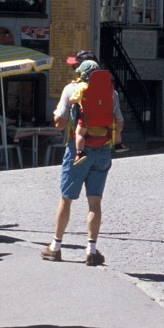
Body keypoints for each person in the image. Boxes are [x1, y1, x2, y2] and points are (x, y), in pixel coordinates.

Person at [41, 50, 124, 267]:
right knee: (94, 202)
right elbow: (119, 123)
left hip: (78, 150)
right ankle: (91, 251)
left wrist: (67, 116)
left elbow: (59, 123)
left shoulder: (71, 89)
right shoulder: (111, 93)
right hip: (103, 150)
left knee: (66, 199)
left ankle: (55, 247)